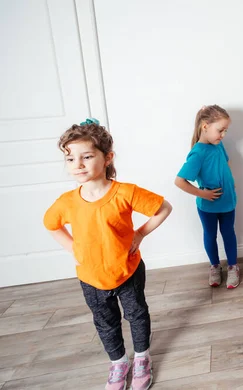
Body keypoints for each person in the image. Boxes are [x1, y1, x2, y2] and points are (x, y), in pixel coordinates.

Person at [44, 119, 172, 390]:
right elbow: (51, 225)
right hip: (91, 278)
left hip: (128, 271)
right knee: (105, 322)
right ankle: (118, 362)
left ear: (107, 158)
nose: (77, 164)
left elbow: (163, 208)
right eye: (70, 158)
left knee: (136, 315)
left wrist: (140, 234)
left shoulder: (126, 192)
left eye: (86, 156)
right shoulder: (66, 202)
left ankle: (141, 358)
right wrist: (72, 248)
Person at [174, 105, 240, 288]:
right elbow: (180, 181)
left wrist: (230, 181)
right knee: (210, 235)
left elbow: (225, 162)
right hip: (208, 206)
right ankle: (215, 267)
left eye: (225, 130)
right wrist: (201, 193)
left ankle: (233, 266)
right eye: (220, 130)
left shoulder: (218, 145)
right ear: (205, 126)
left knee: (229, 233)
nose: (223, 134)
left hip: (228, 202)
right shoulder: (198, 152)